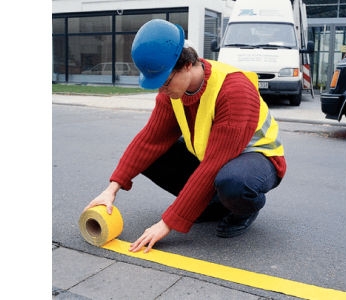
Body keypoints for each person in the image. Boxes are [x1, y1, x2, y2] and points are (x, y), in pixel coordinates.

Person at [83, 19, 286, 253]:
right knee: (152, 156)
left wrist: (168, 222)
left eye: (166, 82)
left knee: (233, 182)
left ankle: (247, 207)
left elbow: (214, 164)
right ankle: (211, 206)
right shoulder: (172, 92)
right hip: (214, 160)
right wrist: (111, 189)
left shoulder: (234, 91)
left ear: (188, 65)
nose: (162, 91)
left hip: (258, 161)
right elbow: (149, 140)